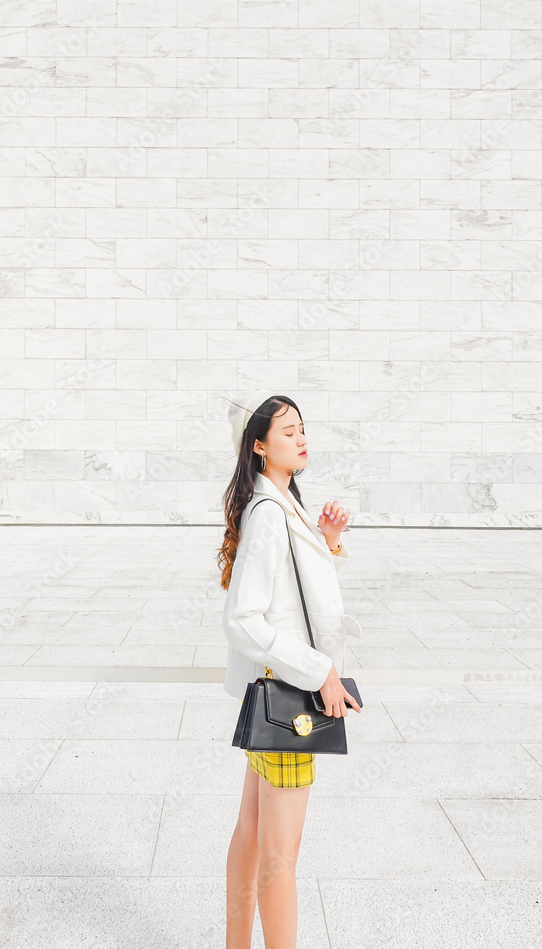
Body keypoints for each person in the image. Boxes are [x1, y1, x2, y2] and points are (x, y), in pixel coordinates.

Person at [217, 389, 363, 949]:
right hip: (290, 704)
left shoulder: (278, 503)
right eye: (287, 431)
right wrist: (318, 670)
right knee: (281, 856)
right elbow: (244, 619)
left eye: (302, 428)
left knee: (252, 836)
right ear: (259, 445)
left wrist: (326, 544)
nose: (300, 438)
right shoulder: (270, 514)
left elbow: (287, 594)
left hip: (273, 696)